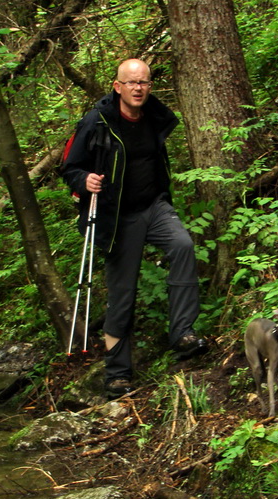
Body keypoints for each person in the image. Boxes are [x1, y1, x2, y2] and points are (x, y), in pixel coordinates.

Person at [61, 58, 208, 399]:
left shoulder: (154, 115)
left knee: (183, 246)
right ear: (118, 87)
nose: (138, 88)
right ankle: (117, 375)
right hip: (116, 217)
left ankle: (182, 333)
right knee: (123, 295)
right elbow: (70, 167)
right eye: (131, 83)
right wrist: (85, 180)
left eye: (144, 82)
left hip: (153, 206)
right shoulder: (96, 123)